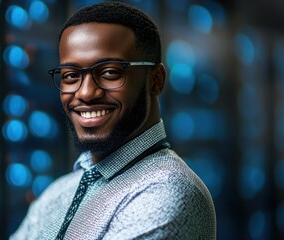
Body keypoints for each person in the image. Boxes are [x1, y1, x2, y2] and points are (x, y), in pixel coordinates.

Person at [11, 1, 216, 239]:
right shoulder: (58, 193)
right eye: (71, 76)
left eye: (109, 72)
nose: (86, 93)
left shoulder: (169, 191)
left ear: (156, 80)